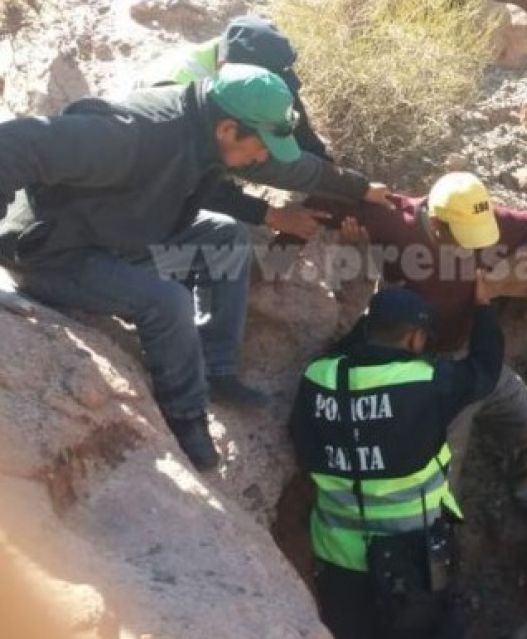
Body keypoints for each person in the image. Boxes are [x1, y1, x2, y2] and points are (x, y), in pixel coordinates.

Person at [0, 64, 391, 471]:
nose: (262, 158)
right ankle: (185, 416)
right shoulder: (135, 134)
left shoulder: (213, 130)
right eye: (261, 147)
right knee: (167, 302)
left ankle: (216, 366)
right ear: (227, 129)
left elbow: (288, 168)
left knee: (226, 235)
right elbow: (15, 145)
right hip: (53, 253)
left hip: (122, 233)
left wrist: (360, 188)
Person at [324, 171, 527, 507]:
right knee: (442, 464)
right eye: (462, 237)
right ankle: (439, 538)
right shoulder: (396, 220)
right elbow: (326, 202)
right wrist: (287, 232)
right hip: (422, 373)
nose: (473, 246)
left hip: (473, 356)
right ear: (436, 222)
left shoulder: (485, 221)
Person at [288, 284, 502, 639]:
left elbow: (300, 440)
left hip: (337, 556)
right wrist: (483, 308)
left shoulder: (318, 376)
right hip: (413, 560)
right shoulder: (426, 380)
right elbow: (485, 368)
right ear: (416, 339)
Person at [142, 14, 351, 243]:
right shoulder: (181, 93)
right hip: (158, 162)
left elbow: (293, 125)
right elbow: (200, 182)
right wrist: (271, 215)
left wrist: (335, 183)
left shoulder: (253, 60)